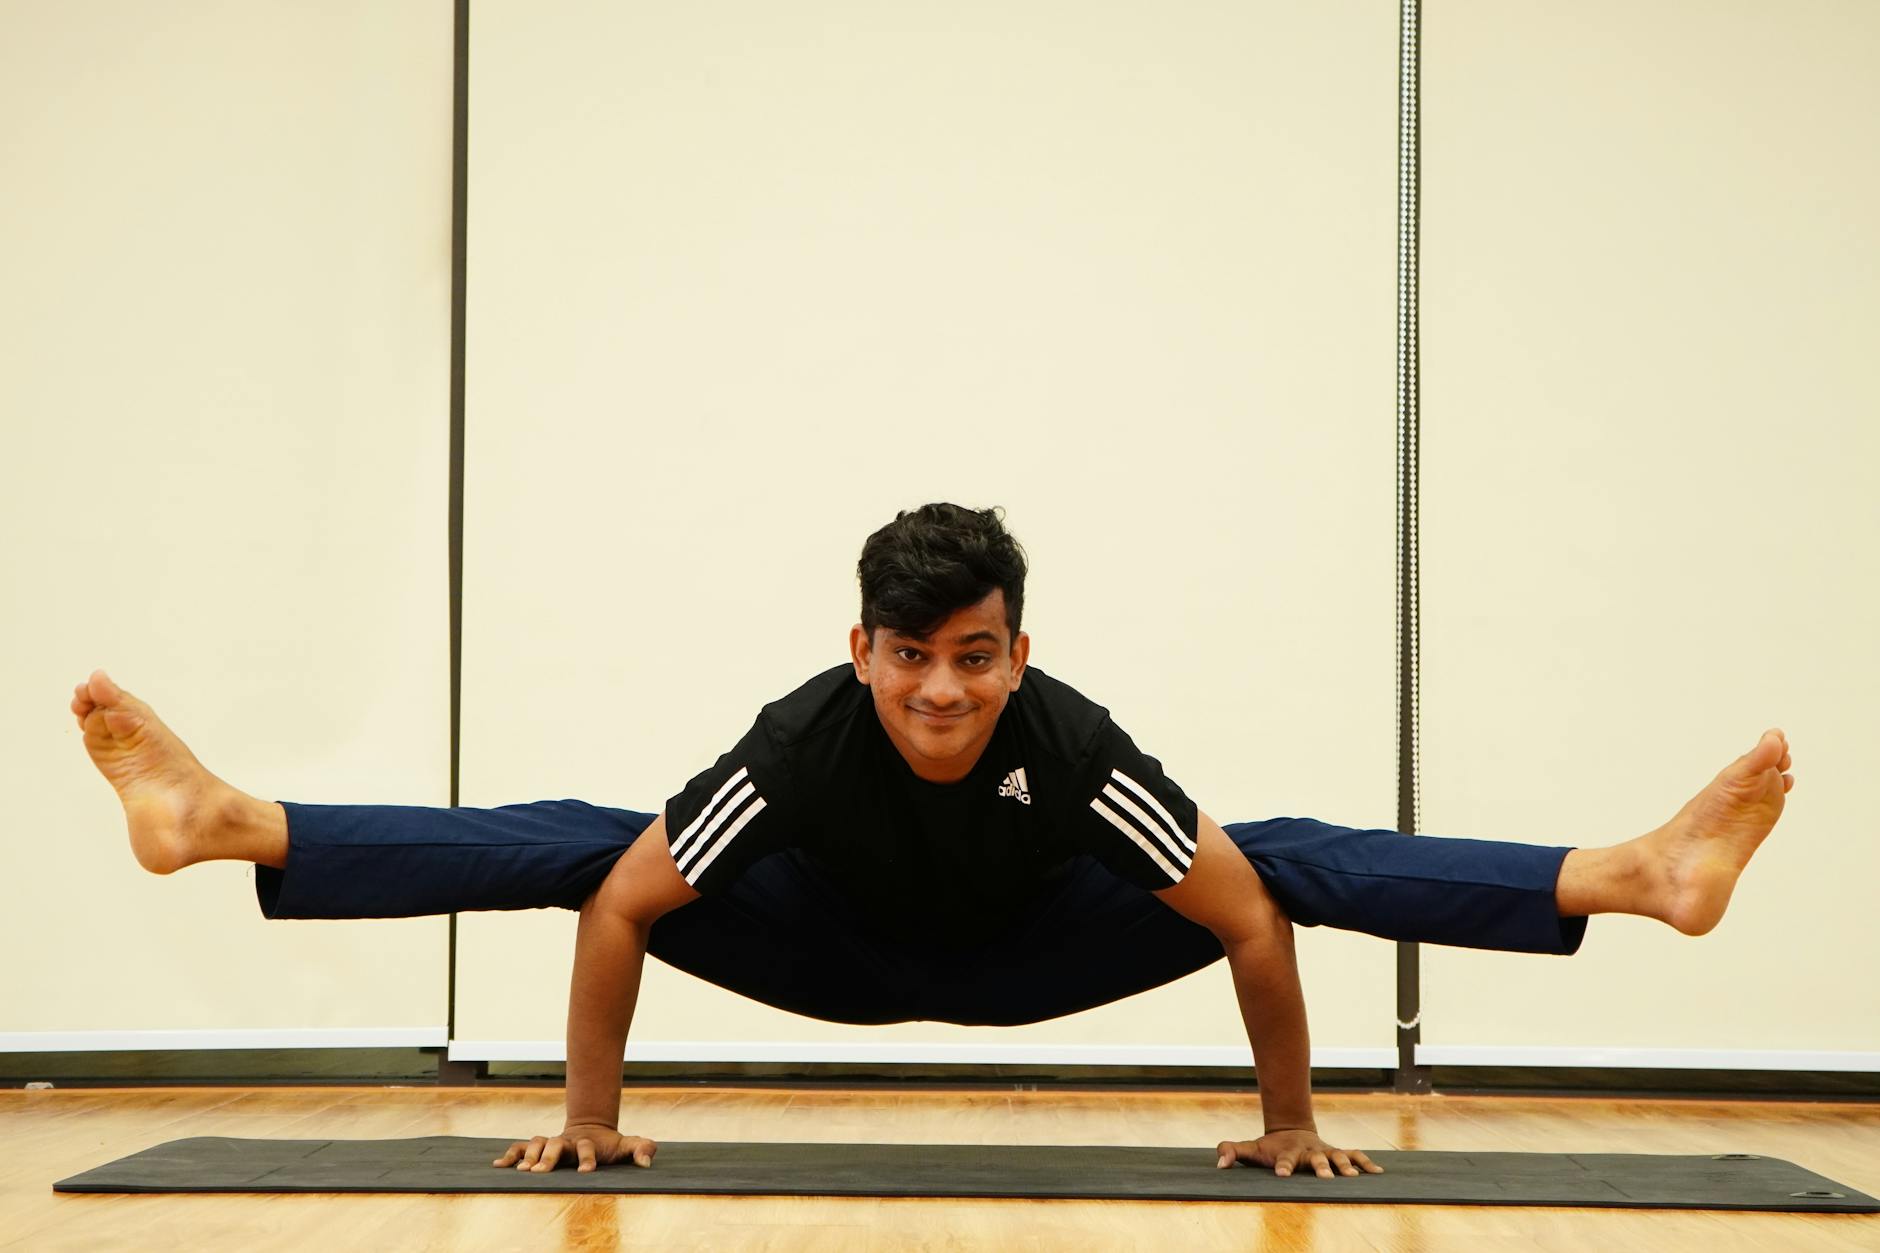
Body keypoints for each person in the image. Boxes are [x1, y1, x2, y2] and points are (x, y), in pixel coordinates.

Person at [71, 503, 1795, 1181]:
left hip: (1043, 956)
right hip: (826, 951)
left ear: (1016, 652)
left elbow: (1253, 921)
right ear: (862, 655)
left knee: (1274, 852)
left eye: (975, 657)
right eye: (911, 659)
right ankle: (231, 821)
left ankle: (1638, 874)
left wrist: (1292, 1125)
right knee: (601, 840)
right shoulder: (805, 739)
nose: (943, 692)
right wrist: (588, 1119)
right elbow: (622, 904)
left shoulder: (1073, 742)